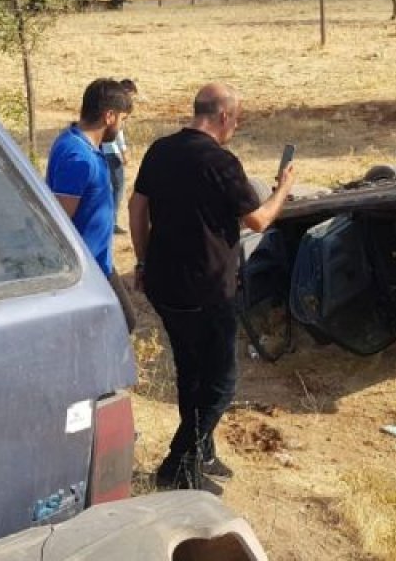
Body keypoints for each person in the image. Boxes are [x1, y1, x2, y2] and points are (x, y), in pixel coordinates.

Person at [129, 83, 296, 494]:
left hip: (164, 284)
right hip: (206, 289)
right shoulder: (221, 162)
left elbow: (136, 208)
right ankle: (178, 462)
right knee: (221, 381)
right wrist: (283, 191)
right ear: (223, 117)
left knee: (191, 371)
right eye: (236, 119)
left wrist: (144, 259)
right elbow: (258, 221)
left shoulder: (160, 150)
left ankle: (201, 451)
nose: (235, 126)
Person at [46, 77, 138, 331]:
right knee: (121, 325)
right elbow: (61, 221)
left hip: (99, 262)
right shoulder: (79, 158)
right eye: (122, 119)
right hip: (86, 270)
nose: (121, 127)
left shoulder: (73, 142)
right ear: (109, 116)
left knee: (122, 324)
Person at [101, 78, 137, 234]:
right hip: (111, 152)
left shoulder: (106, 103)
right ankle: (112, 222)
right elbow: (118, 132)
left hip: (102, 150)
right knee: (118, 187)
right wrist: (123, 151)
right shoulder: (117, 107)